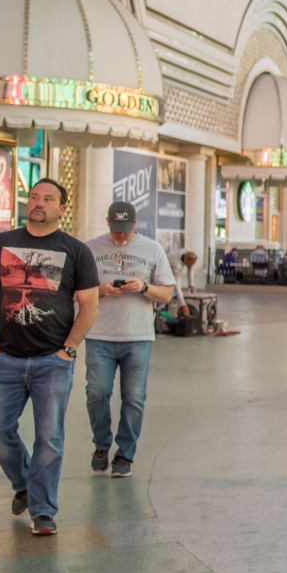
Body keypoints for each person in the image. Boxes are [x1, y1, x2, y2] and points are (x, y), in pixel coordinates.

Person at [0, 178, 100, 536]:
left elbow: (89, 304)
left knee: (50, 438)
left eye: (48, 199)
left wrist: (68, 350)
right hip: (4, 359)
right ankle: (23, 483)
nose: (38, 203)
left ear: (63, 208)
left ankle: (43, 510)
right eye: (33, 197)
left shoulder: (76, 251)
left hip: (52, 361)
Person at [84, 201, 176, 479]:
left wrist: (144, 287)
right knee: (96, 393)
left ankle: (125, 454)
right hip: (99, 334)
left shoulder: (152, 249)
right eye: (115, 230)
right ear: (107, 222)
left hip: (138, 337)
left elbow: (167, 294)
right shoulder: (90, 249)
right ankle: (101, 444)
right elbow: (79, 291)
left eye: (124, 230)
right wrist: (100, 290)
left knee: (134, 398)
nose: (119, 236)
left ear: (135, 225)